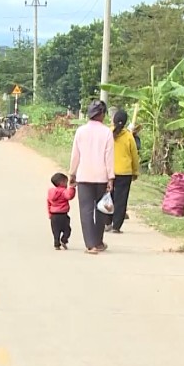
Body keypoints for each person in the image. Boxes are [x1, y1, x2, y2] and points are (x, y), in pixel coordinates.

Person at [68, 100, 115, 254]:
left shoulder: (81, 131)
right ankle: (98, 242)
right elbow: (109, 157)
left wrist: (72, 173)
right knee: (101, 209)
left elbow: (75, 155)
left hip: (84, 176)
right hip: (101, 177)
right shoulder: (107, 132)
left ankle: (90, 245)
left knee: (86, 211)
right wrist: (111, 178)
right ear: (102, 114)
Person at [106, 109, 139, 234]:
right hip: (125, 173)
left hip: (109, 171)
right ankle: (116, 226)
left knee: (108, 197)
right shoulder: (129, 136)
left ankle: (107, 223)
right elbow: (134, 155)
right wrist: (135, 171)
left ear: (113, 120)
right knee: (121, 199)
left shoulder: (107, 133)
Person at [47, 173, 77, 250]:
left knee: (56, 231)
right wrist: (72, 188)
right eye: (66, 182)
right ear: (62, 182)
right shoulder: (63, 191)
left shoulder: (50, 192)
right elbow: (69, 196)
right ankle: (64, 240)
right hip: (63, 214)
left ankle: (56, 244)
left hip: (54, 215)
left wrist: (49, 213)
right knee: (67, 230)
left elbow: (48, 203)